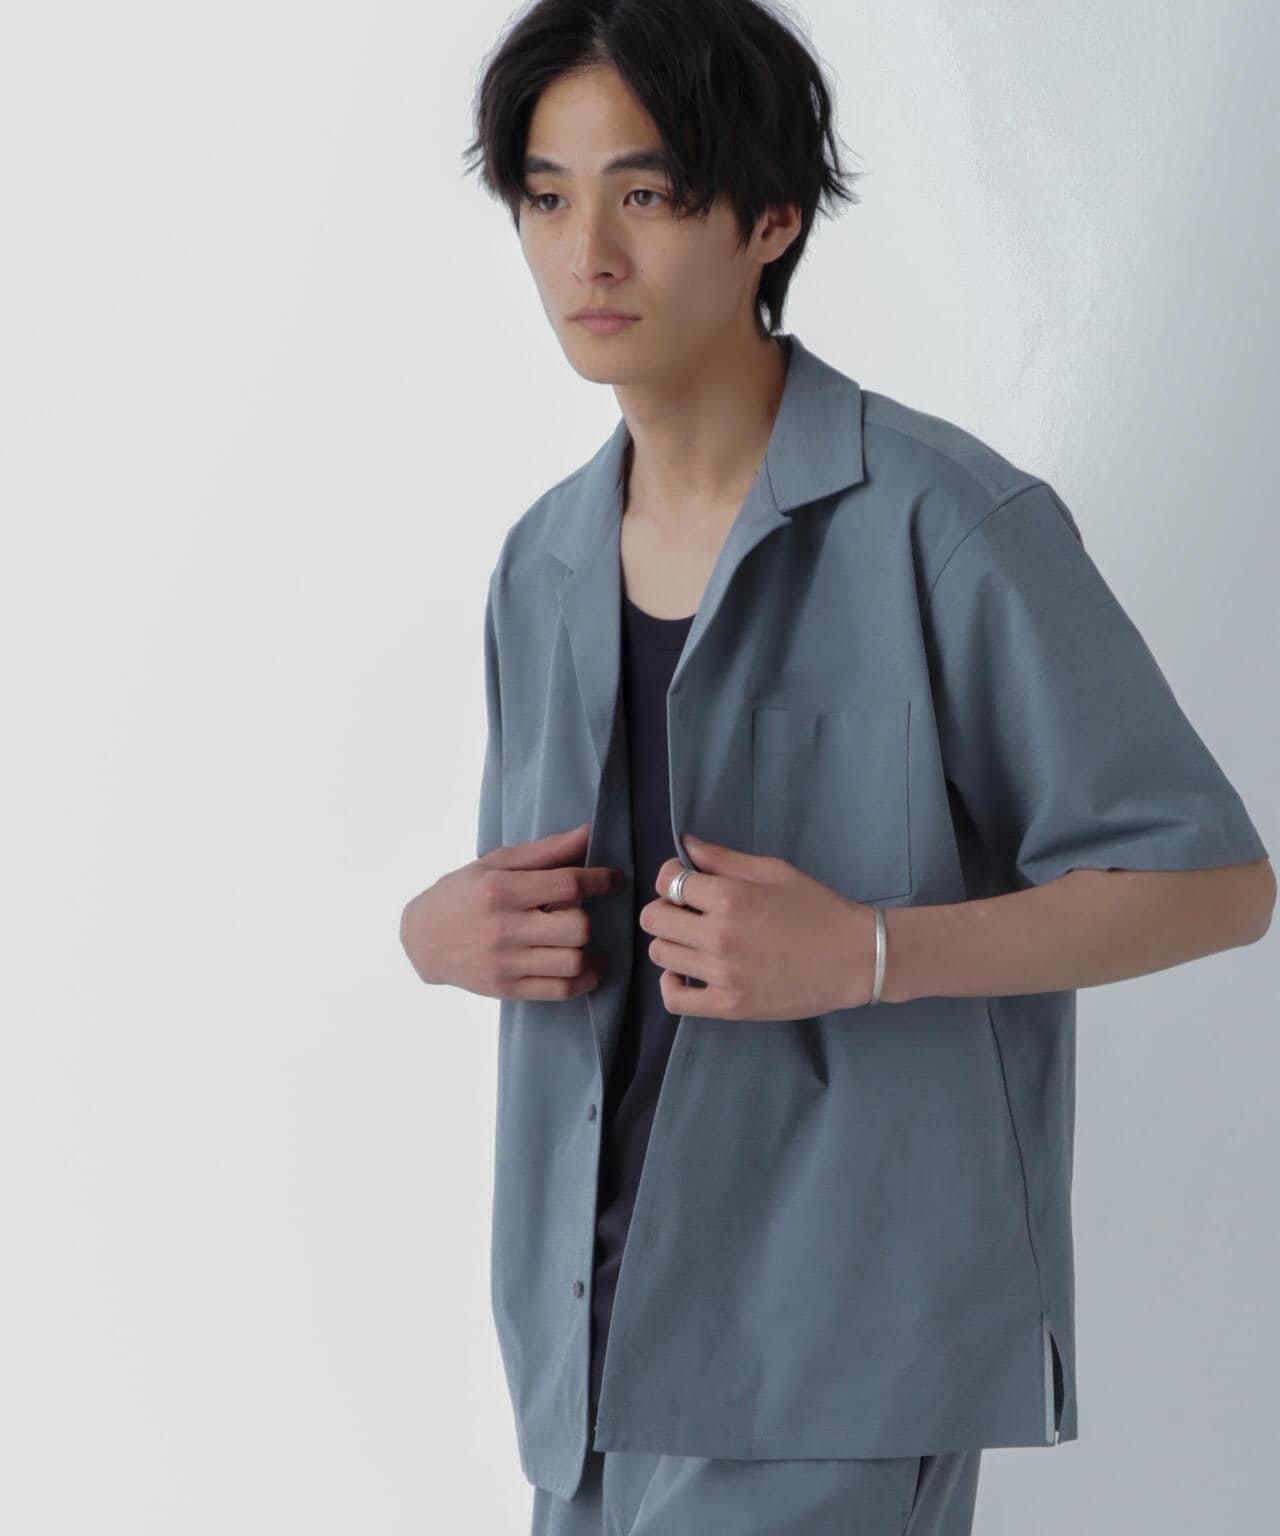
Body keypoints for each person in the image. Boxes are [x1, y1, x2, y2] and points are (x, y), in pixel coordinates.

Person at [398, 2, 1276, 1532]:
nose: (586, 253)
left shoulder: (948, 523)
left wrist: (869, 951)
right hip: (584, 1351)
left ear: (772, 219)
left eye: (646, 193)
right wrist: (436, 935)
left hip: (837, 1344)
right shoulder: (542, 563)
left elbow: (1214, 883)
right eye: (546, 197)